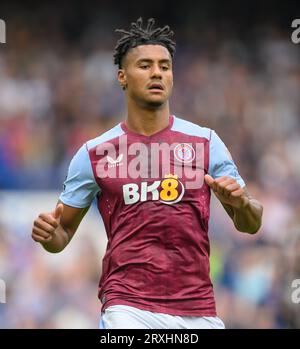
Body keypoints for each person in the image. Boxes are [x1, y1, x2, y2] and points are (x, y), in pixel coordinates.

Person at [31, 18, 263, 329]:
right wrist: (50, 236)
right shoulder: (94, 154)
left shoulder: (206, 142)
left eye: (164, 66)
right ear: (122, 76)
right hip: (127, 307)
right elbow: (62, 236)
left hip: (197, 309)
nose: (157, 73)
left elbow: (251, 223)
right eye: (145, 65)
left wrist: (242, 204)